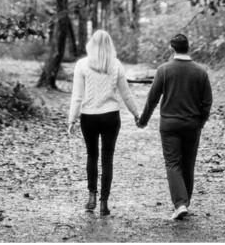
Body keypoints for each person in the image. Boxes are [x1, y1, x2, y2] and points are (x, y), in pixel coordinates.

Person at [137, 34, 212, 221]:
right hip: (192, 125)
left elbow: (152, 98)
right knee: (188, 164)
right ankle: (184, 203)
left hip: (169, 125)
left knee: (172, 163)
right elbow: (207, 102)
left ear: (172, 48)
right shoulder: (200, 72)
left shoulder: (164, 70)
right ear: (189, 48)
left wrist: (143, 120)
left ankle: (180, 204)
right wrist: (200, 122)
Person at [67, 29, 141, 217]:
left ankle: (92, 196)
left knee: (92, 155)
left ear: (91, 44)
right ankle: (104, 204)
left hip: (89, 116)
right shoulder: (115, 65)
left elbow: (77, 96)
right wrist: (136, 114)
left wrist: (72, 119)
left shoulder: (82, 65)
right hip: (110, 116)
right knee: (107, 159)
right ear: (110, 45)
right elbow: (126, 94)